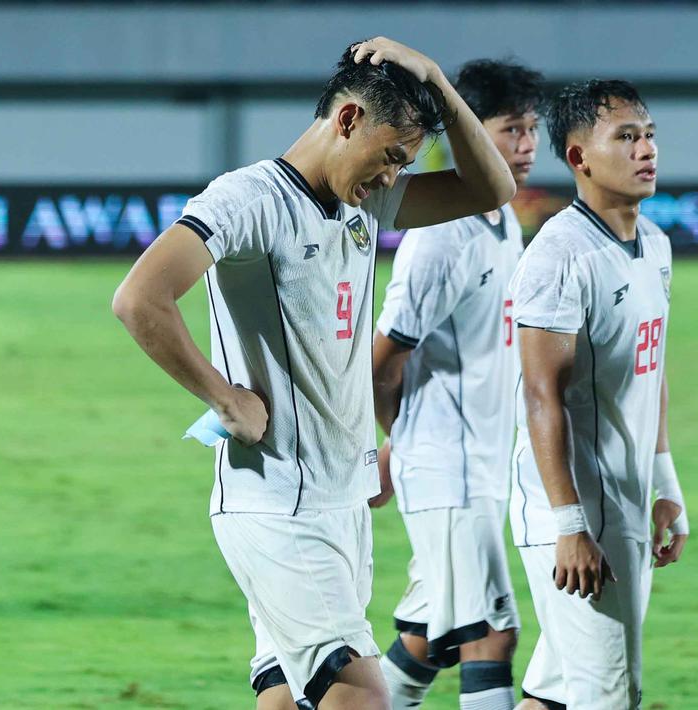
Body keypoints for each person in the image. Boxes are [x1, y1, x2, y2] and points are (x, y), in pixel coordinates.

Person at [111, 37, 515, 710]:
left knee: (285, 697)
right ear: (348, 119)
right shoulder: (247, 198)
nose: (393, 177)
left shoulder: (363, 204)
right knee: (361, 696)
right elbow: (138, 297)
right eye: (391, 156)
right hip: (278, 503)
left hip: (338, 499)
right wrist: (224, 396)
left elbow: (490, 188)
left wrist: (438, 82)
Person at [507, 79, 689, 710]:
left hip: (627, 500)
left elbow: (651, 372)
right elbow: (540, 394)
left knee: (552, 696)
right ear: (580, 157)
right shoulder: (560, 255)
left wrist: (665, 482)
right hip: (578, 514)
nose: (647, 150)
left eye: (649, 136)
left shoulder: (656, 247)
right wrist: (569, 525)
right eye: (627, 137)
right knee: (609, 697)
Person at [368, 59, 544, 710]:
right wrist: (403, 445)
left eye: (531, 130)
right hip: (451, 471)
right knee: (489, 636)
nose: (525, 146)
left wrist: (399, 448)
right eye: (508, 130)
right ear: (462, 132)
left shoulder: (500, 219)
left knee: (425, 638)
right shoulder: (442, 234)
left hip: (475, 464)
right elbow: (383, 361)